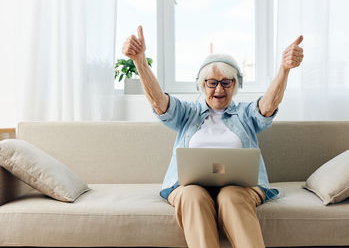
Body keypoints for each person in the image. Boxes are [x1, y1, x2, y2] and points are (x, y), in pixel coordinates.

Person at [122, 25, 304, 248]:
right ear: (202, 84)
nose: (219, 89)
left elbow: (267, 106)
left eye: (226, 82)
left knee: (231, 197)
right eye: (212, 83)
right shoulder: (187, 113)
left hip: (241, 188)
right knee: (192, 196)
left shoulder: (246, 114)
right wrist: (140, 62)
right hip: (189, 188)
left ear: (235, 85)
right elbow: (159, 102)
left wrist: (285, 69)